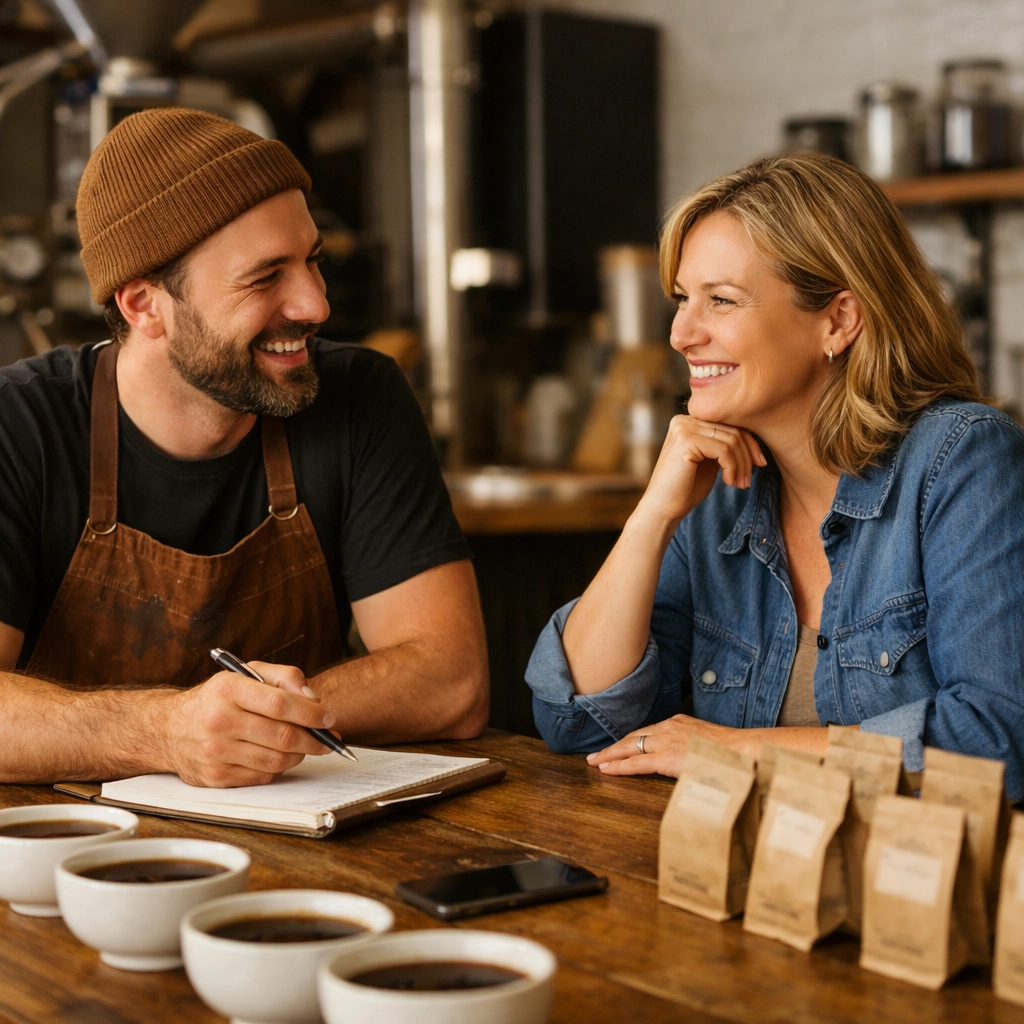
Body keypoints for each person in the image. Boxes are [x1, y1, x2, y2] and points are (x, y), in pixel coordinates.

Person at [0, 108, 488, 787]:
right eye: (266, 278)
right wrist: (168, 732)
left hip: (306, 840)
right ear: (144, 305)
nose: (315, 305)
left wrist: (248, 723)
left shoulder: (359, 396)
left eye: (312, 262)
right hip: (77, 859)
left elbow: (451, 679)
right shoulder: (18, 425)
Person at [527, 152, 1024, 800]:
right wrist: (651, 518)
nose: (680, 333)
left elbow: (996, 740)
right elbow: (581, 720)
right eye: (681, 299)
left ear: (838, 320)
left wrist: (733, 751)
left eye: (721, 301)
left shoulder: (962, 462)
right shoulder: (717, 493)